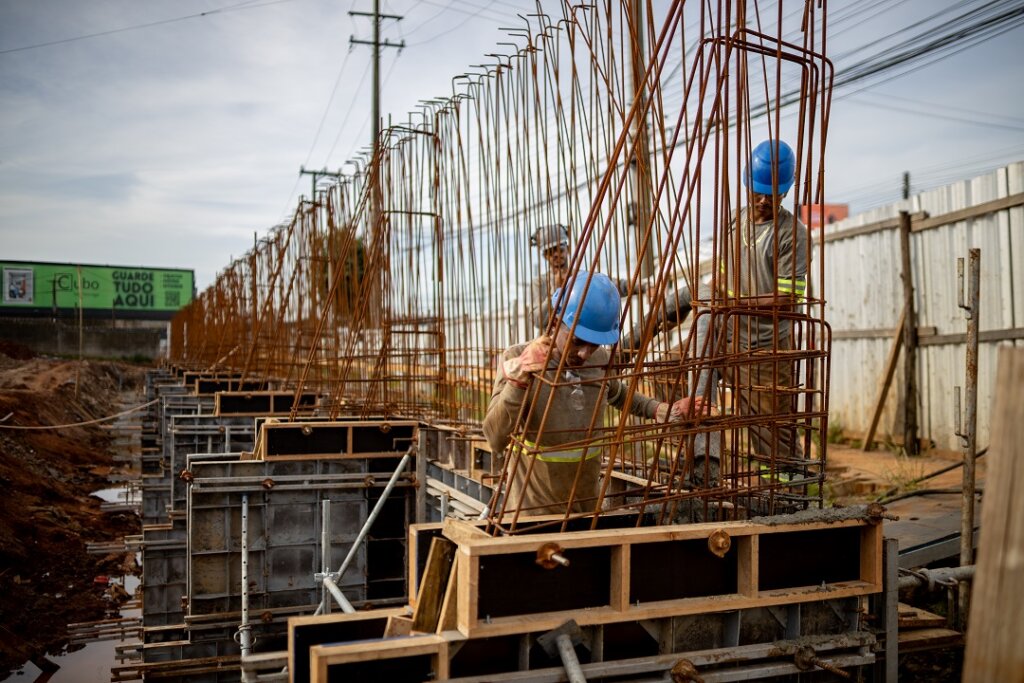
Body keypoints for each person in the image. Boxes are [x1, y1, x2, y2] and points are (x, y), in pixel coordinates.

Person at [484, 271, 705, 516]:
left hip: (585, 512)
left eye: (595, 344)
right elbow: (495, 439)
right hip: (532, 516)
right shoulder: (518, 358)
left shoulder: (598, 360)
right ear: (556, 322)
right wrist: (519, 380)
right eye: (578, 341)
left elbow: (618, 393)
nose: (585, 354)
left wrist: (662, 410)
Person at [688, 138, 811, 495]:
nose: (762, 200)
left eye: (772, 194)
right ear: (746, 184)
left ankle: (790, 498)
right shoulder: (733, 223)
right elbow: (724, 274)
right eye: (757, 191)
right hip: (728, 335)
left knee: (771, 434)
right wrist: (707, 297)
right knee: (685, 377)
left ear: (785, 193)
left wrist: (736, 303)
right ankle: (704, 464)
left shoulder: (793, 235)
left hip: (765, 348)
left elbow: (788, 300)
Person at [529, 224, 643, 332]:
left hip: (582, 341)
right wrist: (556, 292)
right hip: (551, 345)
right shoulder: (539, 283)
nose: (556, 255)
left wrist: (642, 286)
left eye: (559, 249)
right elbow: (538, 320)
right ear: (544, 256)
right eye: (550, 252)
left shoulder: (582, 278)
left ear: (567, 249)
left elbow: (612, 287)